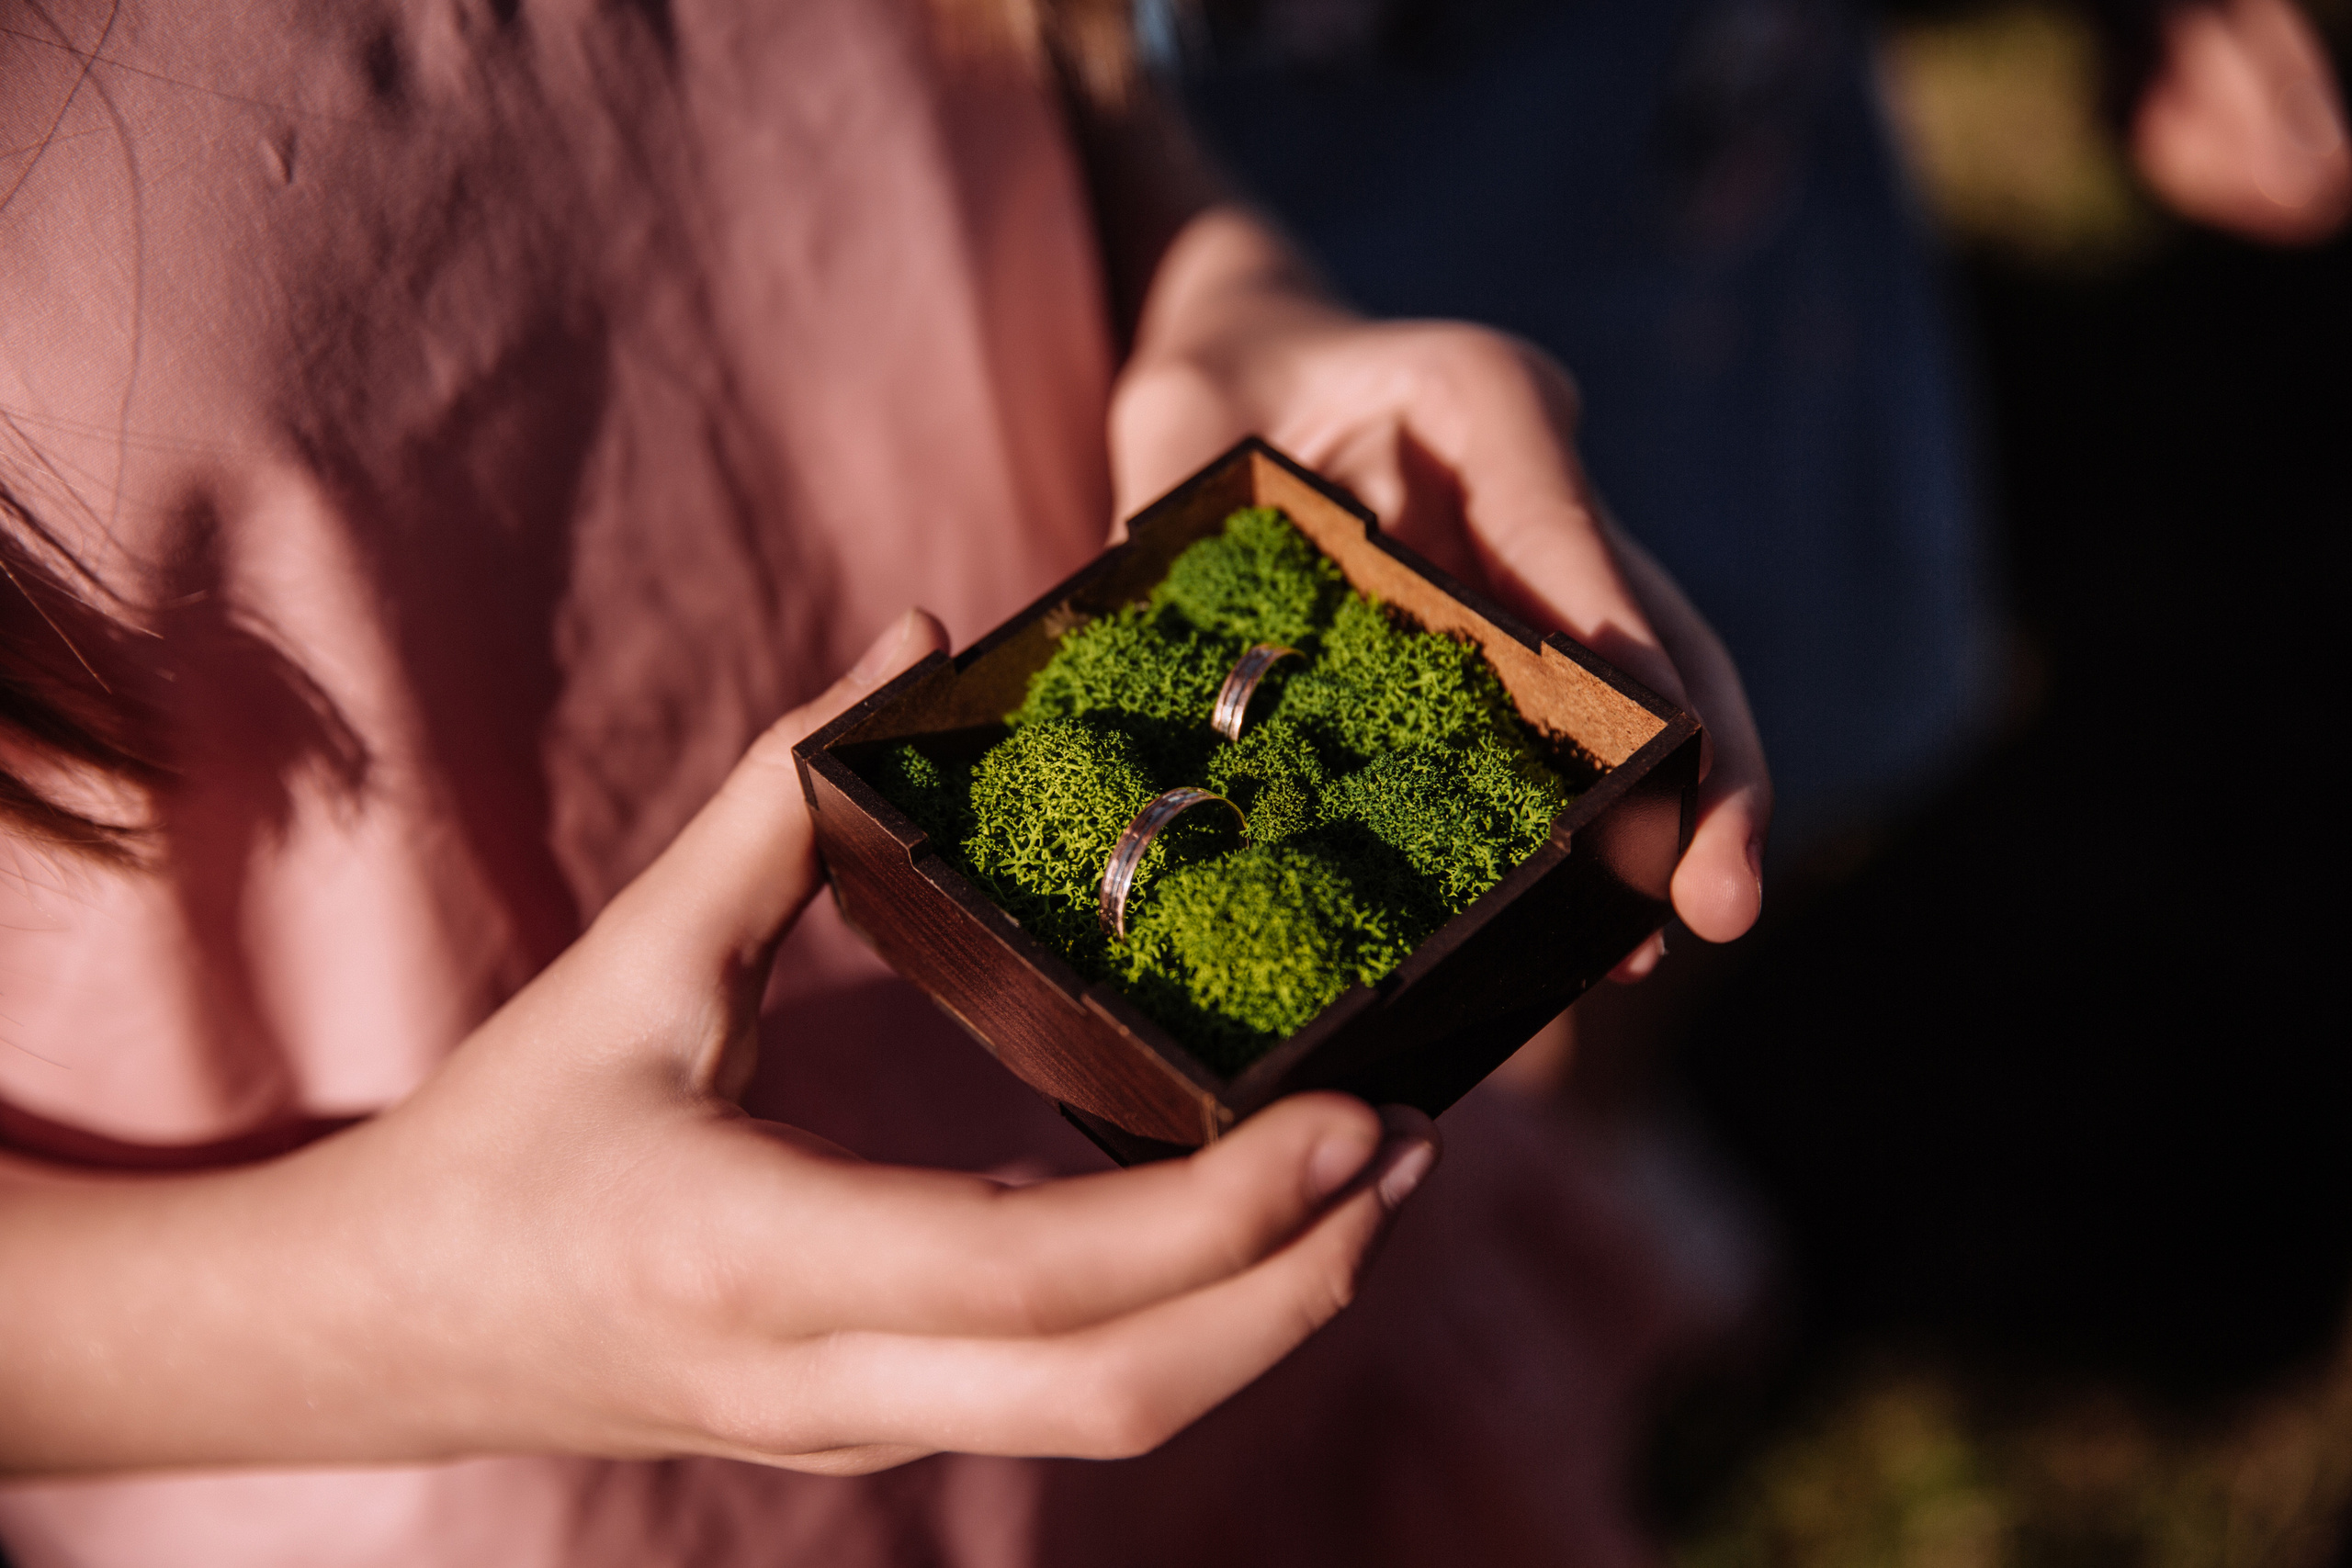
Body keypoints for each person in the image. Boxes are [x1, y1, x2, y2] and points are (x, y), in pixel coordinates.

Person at [0, 2, 1767, 1562]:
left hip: (1182, 1033)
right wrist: (409, 1318)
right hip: (485, 1438)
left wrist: (1221, 302)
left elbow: (1050, 81)